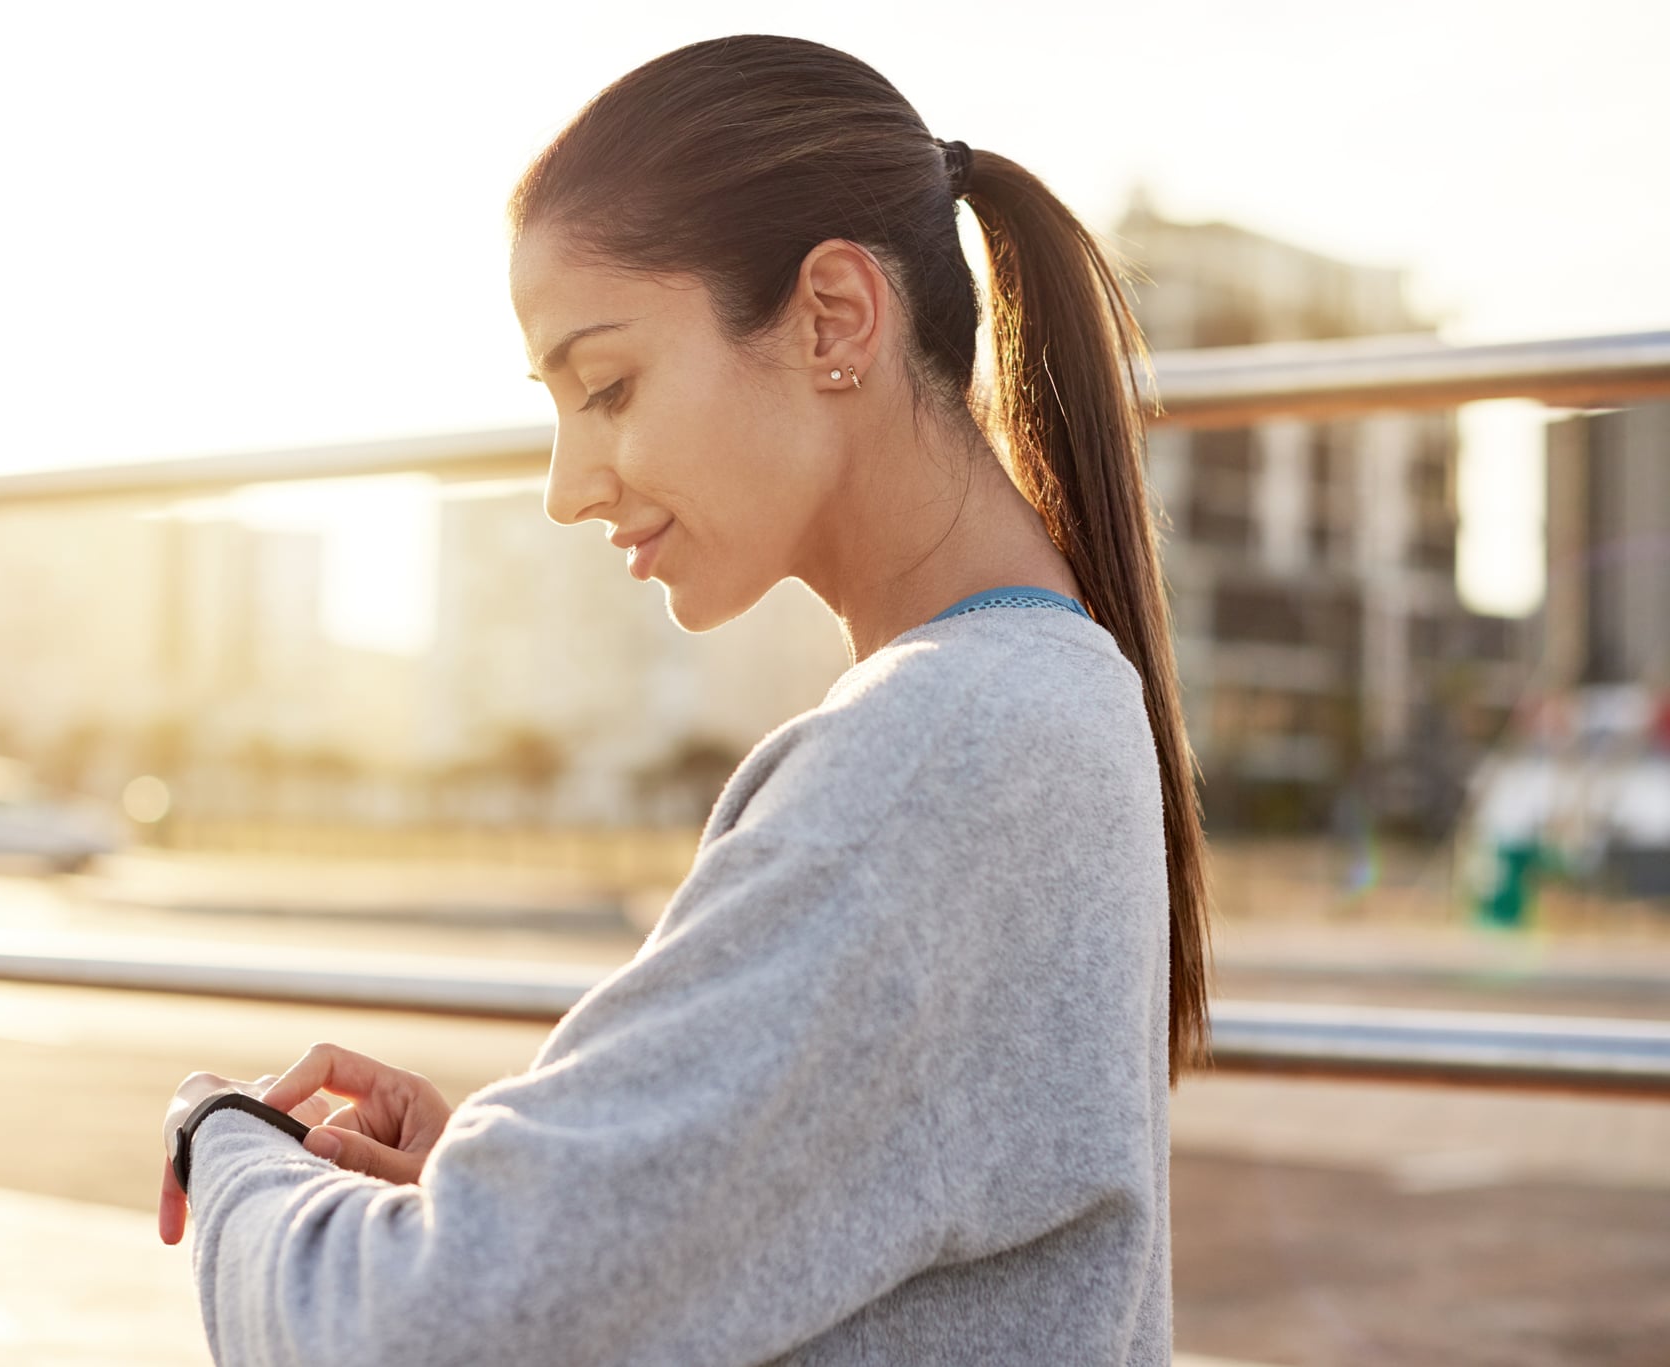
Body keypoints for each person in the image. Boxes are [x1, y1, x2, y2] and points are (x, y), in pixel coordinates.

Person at [157, 32, 1214, 1365]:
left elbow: (422, 1339)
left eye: (608, 387)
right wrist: (499, 1187)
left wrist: (234, 1153)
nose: (567, 484)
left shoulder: (939, 748)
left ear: (835, 316)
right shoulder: (1049, 694)